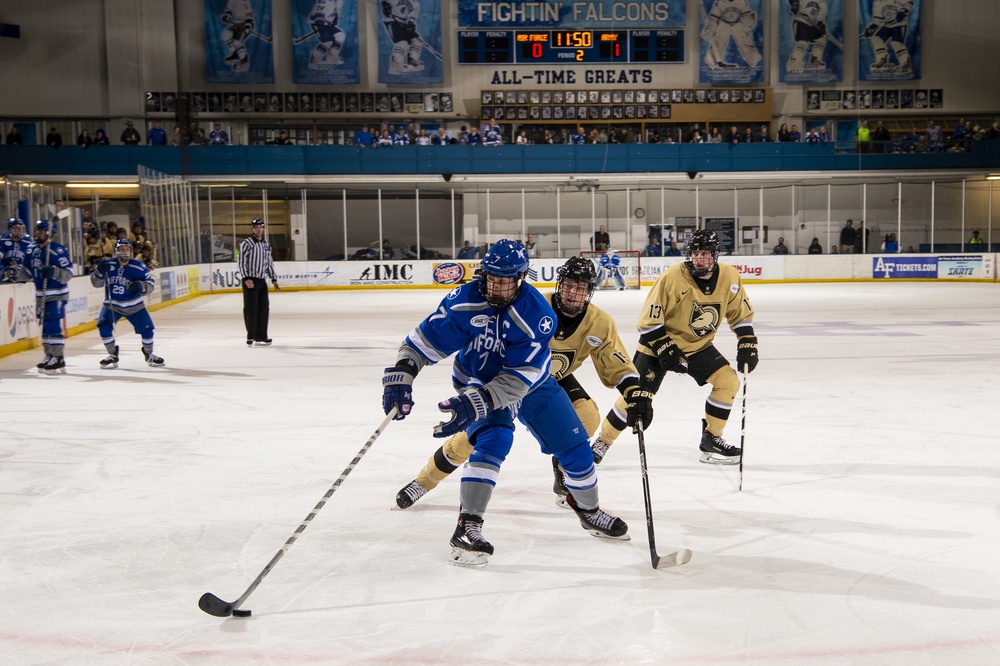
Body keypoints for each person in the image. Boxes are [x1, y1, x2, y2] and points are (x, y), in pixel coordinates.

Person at [381, 240, 628, 566]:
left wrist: (477, 403)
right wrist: (403, 370)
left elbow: (520, 376)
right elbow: (426, 339)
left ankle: (589, 510)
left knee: (575, 445)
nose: (497, 287)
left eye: (506, 280)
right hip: (478, 378)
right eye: (493, 278)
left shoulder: (537, 314)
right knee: (494, 439)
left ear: (521, 277)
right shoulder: (464, 300)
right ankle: (467, 527)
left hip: (533, 385)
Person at [597, 229, 757, 466]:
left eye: (705, 254)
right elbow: (648, 321)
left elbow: (740, 314)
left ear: (716, 255)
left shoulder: (730, 277)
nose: (699, 259)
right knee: (636, 396)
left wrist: (747, 340)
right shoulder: (673, 277)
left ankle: (712, 438)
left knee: (728, 382)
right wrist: (665, 347)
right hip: (656, 345)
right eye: (695, 253)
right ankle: (602, 442)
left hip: (698, 347)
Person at [89, 239, 164, 369]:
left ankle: (149, 353)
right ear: (116, 251)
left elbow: (151, 285)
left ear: (130, 251)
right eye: (122, 249)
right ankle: (112, 355)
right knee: (104, 328)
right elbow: (96, 284)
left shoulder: (138, 267)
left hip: (134, 305)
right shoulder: (107, 265)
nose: (125, 252)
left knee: (147, 330)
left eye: (127, 249)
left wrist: (141, 286)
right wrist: (99, 271)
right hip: (112, 305)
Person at [30, 220, 73, 375]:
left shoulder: (57, 250)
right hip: (40, 294)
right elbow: (28, 270)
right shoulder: (34, 250)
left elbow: (68, 272)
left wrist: (54, 272)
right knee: (44, 326)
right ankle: (49, 355)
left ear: (49, 233)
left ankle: (59, 357)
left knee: (53, 325)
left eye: (42, 231)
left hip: (56, 294)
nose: (38, 234)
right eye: (38, 231)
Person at [239, 218, 280, 346]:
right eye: (256, 227)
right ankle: (251, 335)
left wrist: (273, 278)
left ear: (263, 229)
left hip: (262, 280)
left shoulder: (266, 245)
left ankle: (261, 335)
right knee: (251, 309)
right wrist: (246, 278)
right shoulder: (247, 243)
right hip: (251, 280)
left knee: (263, 308)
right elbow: (241, 262)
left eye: (260, 227)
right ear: (253, 229)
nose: (258, 229)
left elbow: (269, 262)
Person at [701, 0, 762, 69]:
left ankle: (753, 59)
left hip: (738, 23)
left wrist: (749, 22)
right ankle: (712, 61)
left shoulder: (742, 2)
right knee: (718, 40)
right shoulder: (719, 3)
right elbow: (714, 17)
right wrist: (710, 29)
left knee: (745, 40)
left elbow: (746, 15)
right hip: (723, 23)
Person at [861, 0, 913, 72]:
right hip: (887, 24)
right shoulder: (878, 2)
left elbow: (909, 2)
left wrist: (904, 11)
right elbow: (878, 19)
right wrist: (871, 28)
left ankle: (905, 62)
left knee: (895, 43)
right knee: (876, 38)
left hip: (900, 24)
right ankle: (882, 59)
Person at [380, 0, 425, 74]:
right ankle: (395, 64)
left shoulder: (415, 3)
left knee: (416, 40)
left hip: (404, 23)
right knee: (402, 42)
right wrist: (384, 4)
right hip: (391, 20)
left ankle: (412, 61)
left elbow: (412, 16)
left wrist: (410, 25)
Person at [786, 0, 829, 70]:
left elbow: (819, 18)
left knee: (821, 40)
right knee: (803, 41)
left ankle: (815, 60)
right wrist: (794, 3)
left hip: (812, 24)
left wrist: (821, 25)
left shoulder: (823, 4)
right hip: (801, 20)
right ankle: (794, 60)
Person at [307, 0, 346, 67]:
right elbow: (319, 9)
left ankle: (332, 57)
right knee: (328, 42)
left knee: (340, 35)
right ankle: (314, 59)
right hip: (318, 23)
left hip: (328, 24)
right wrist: (319, 18)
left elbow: (336, 10)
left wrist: (335, 18)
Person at [219, 0, 254, 70]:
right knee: (226, 34)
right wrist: (227, 15)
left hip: (245, 24)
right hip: (237, 23)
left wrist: (248, 24)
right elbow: (229, 9)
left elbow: (249, 13)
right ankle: (235, 54)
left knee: (236, 41)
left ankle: (243, 58)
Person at [1, 218, 35, 283]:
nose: (20, 230)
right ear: (11, 229)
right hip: (6, 275)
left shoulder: (28, 242)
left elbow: (32, 260)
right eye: (17, 228)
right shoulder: (3, 241)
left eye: (22, 228)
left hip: (24, 275)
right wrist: (3, 270)